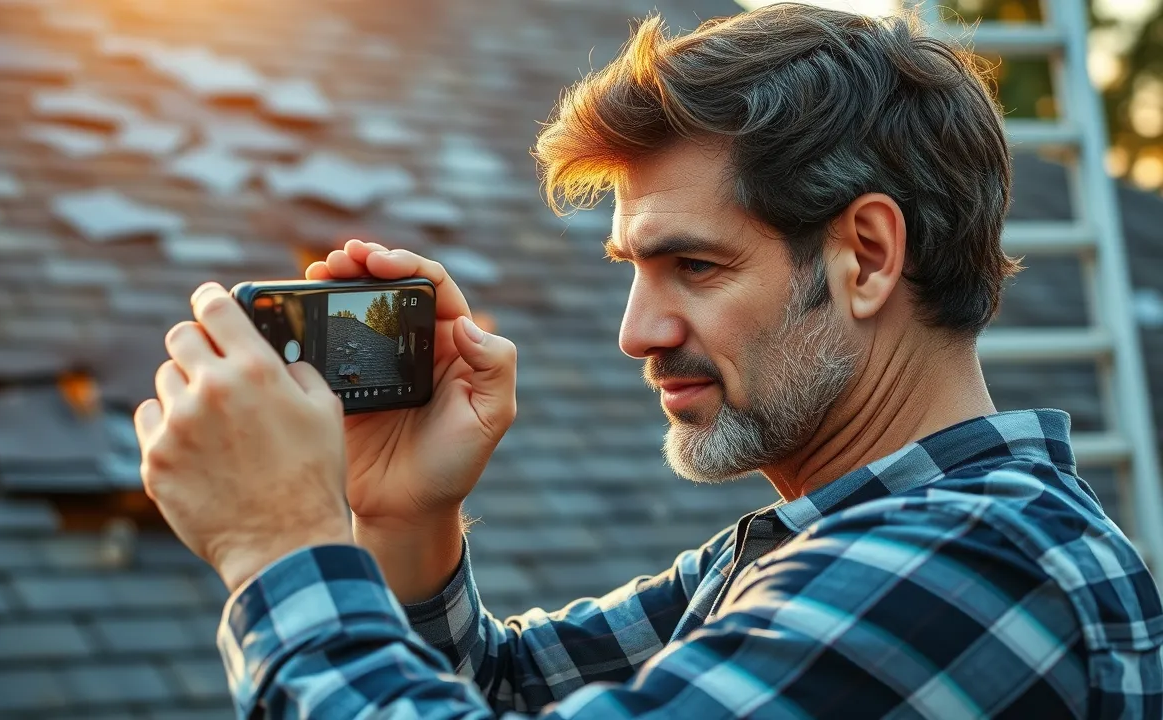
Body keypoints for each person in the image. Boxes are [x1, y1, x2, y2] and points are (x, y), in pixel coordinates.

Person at [133, 4, 1163, 718]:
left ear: (866, 256)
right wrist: (403, 513)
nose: (636, 332)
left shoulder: (963, 573)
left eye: (693, 266)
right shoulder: (818, 550)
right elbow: (493, 693)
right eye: (633, 267)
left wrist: (279, 542)